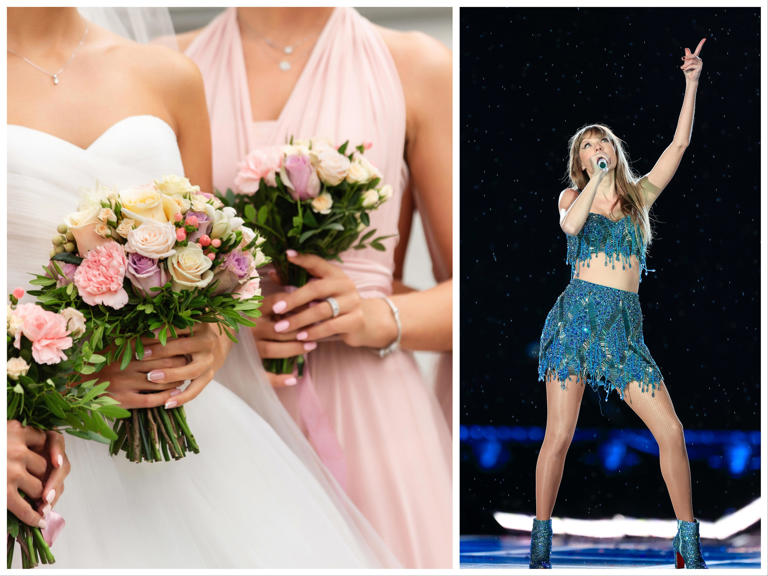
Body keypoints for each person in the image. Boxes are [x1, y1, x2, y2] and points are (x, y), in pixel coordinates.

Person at [7, 7, 398, 568]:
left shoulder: (170, 75)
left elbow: (215, 256)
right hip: (34, 440)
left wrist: (210, 342)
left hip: (188, 431)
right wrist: (73, 381)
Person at [181, 7, 452, 567]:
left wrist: (378, 316)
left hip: (371, 414)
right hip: (221, 414)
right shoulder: (167, 65)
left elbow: (482, 298)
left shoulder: (415, 65)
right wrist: (220, 320)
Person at [533, 39, 708, 569]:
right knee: (559, 436)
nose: (595, 148)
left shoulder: (640, 198)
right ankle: (541, 539)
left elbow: (678, 146)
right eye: (587, 146)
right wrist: (596, 180)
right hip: (577, 320)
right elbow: (569, 225)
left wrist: (692, 82)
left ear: (614, 147)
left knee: (671, 430)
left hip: (625, 329)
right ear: (579, 160)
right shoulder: (572, 196)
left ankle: (688, 540)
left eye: (601, 142)